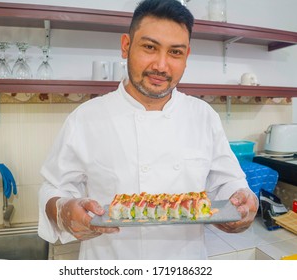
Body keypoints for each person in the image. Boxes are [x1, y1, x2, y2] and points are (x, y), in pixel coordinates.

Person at [38, 0, 258, 259]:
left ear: (186, 56)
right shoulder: (86, 118)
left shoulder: (204, 116)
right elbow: (54, 188)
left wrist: (242, 202)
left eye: (175, 52)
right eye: (150, 47)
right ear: (126, 46)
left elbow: (228, 182)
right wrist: (63, 210)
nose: (161, 66)